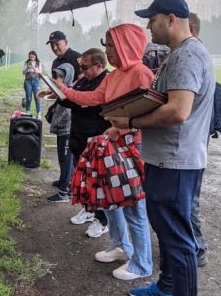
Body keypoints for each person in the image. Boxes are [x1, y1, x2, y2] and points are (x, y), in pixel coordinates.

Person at [108, 0, 215, 296]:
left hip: (176, 161)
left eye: (151, 20)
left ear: (171, 19)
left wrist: (131, 121)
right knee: (167, 231)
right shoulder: (179, 56)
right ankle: (167, 286)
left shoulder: (186, 56)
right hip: (168, 159)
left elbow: (177, 111)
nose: (147, 26)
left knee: (178, 238)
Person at [55, 24, 154, 281]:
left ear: (128, 45)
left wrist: (120, 129)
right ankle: (121, 246)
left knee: (133, 205)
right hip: (113, 144)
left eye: (111, 45)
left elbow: (144, 113)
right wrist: (62, 90)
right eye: (107, 45)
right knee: (110, 200)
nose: (107, 51)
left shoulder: (142, 73)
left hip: (132, 146)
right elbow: (91, 99)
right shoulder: (114, 76)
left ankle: (142, 263)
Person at [60, 49, 110, 237]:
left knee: (96, 182)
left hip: (94, 137)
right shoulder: (84, 80)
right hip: (78, 135)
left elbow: (89, 101)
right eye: (81, 66)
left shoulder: (106, 81)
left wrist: (70, 94)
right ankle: (89, 209)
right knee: (83, 181)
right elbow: (73, 100)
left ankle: (102, 219)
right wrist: (60, 94)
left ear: (99, 65)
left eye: (85, 67)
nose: (82, 70)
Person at [41, 31, 81, 201]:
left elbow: (83, 81)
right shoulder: (56, 62)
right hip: (62, 108)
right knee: (63, 149)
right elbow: (59, 87)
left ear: (66, 42)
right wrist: (49, 92)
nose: (55, 47)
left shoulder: (77, 58)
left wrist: (68, 91)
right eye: (52, 45)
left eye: (58, 44)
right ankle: (67, 180)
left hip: (74, 111)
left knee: (67, 151)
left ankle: (66, 188)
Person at [22, 51, 42, 118]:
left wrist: (33, 68)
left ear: (35, 56)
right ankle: (28, 111)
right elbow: (23, 72)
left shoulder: (38, 63)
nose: (32, 58)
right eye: (30, 57)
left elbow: (40, 72)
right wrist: (28, 67)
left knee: (37, 97)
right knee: (28, 97)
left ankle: (39, 113)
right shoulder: (26, 63)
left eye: (33, 57)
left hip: (36, 81)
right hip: (28, 81)